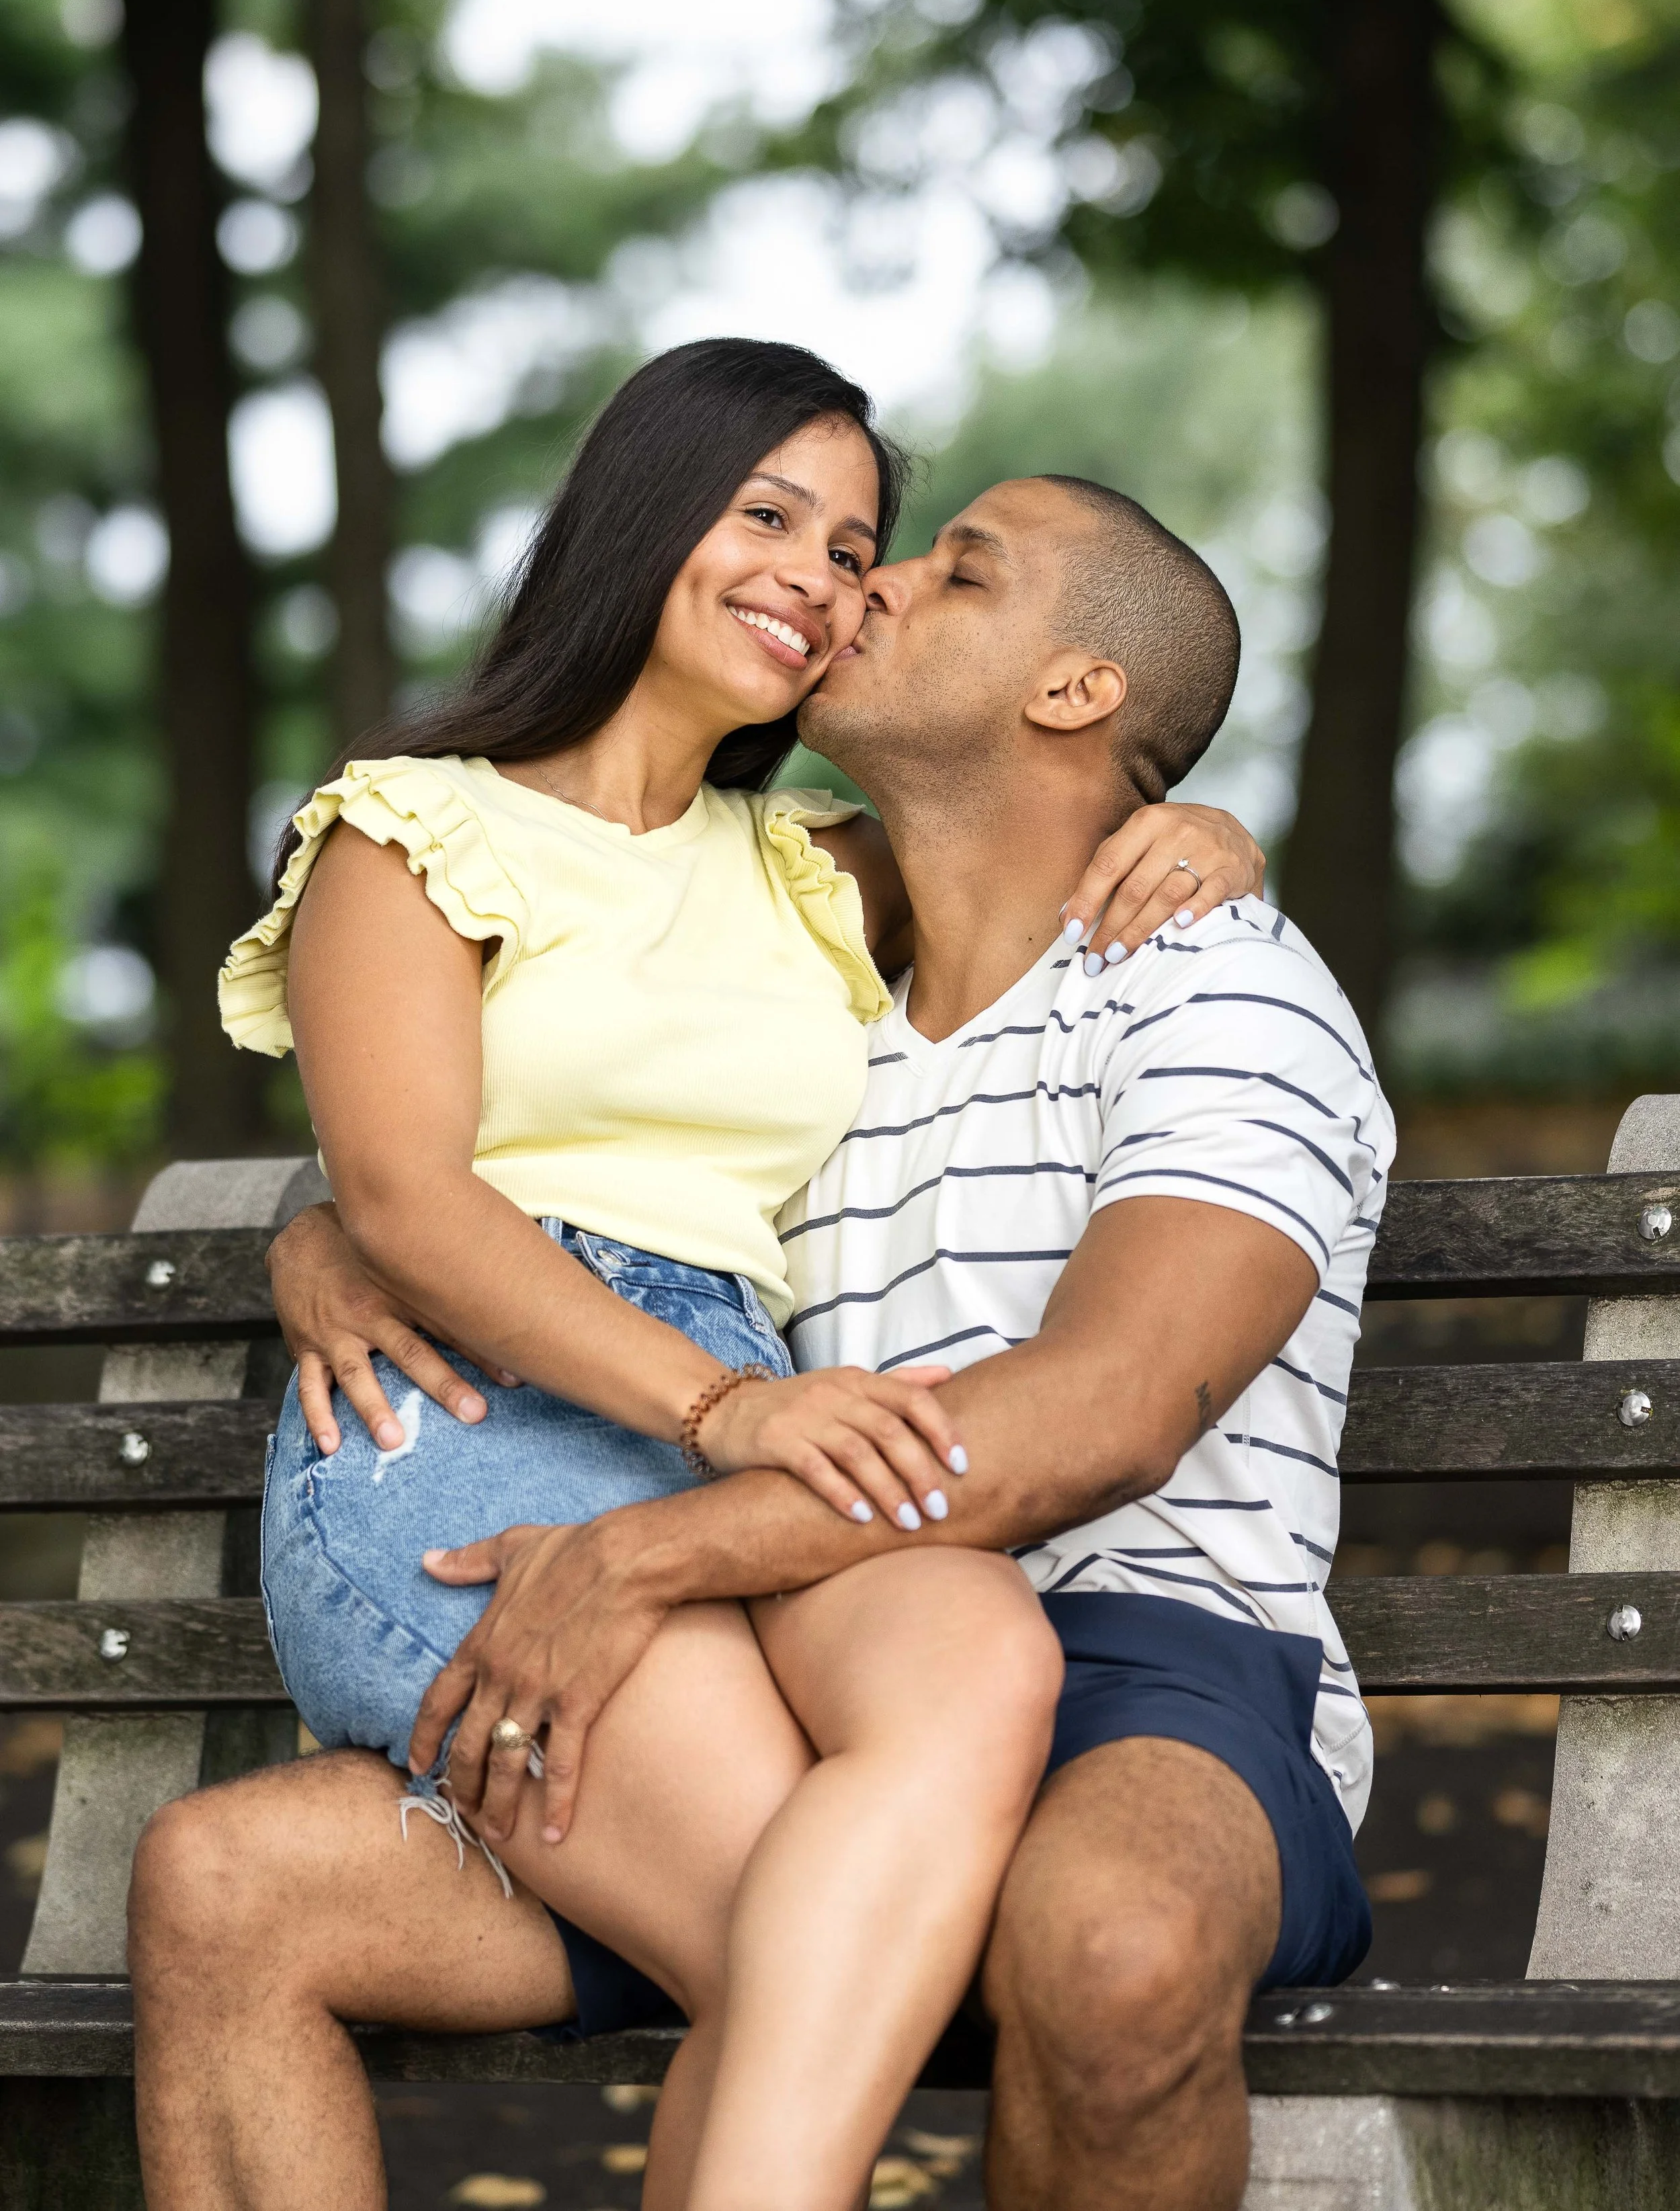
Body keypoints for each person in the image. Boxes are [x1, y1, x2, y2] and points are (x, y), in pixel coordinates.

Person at [151, 339, 1263, 2211]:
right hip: (463, 1423)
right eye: (766, 515)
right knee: (810, 1945)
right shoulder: (417, 828)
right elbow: (413, 1199)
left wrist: (1198, 818)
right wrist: (341, 1239)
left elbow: (1040, 804)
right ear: (640, 518)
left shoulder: (812, 868)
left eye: (853, 548)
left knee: (976, 1642)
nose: (817, 577)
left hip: (719, 1410)